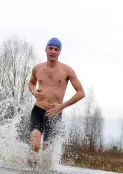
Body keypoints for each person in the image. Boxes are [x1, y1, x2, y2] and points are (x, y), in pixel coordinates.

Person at [26, 37, 85, 165]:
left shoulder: (67, 70)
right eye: (50, 48)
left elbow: (81, 93)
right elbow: (31, 83)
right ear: (46, 50)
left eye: (56, 49)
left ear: (59, 52)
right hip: (38, 111)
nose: (53, 51)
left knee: (47, 154)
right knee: (35, 145)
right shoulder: (37, 68)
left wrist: (61, 106)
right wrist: (33, 91)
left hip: (55, 114)